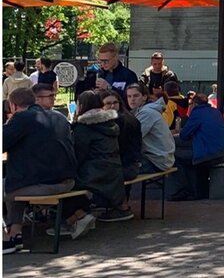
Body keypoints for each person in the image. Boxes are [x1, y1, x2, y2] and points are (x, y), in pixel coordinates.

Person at [2, 87, 80, 253]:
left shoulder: (22, 119)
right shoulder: (58, 117)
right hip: (68, 180)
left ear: (13, 106)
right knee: (11, 184)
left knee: (9, 186)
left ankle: (5, 239)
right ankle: (15, 234)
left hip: (43, 183)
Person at [71, 90, 134, 222]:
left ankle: (77, 216)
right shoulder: (111, 123)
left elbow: (79, 155)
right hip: (114, 169)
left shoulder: (83, 127)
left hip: (95, 172)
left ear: (81, 106)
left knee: (67, 182)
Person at [177, 94, 224, 200]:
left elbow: (184, 135)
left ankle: (188, 191)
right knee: (195, 158)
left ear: (194, 104)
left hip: (211, 154)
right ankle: (198, 190)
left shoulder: (197, 114)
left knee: (179, 158)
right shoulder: (215, 112)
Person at [125, 82, 176, 174]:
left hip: (156, 161)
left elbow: (131, 138)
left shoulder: (147, 113)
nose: (132, 99)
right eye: (129, 96)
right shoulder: (141, 111)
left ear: (144, 97)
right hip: (159, 158)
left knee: (114, 170)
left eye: (136, 96)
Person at [100, 89, 143, 182]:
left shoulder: (120, 121)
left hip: (124, 167)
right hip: (130, 166)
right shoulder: (129, 117)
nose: (112, 106)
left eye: (115, 102)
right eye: (108, 103)